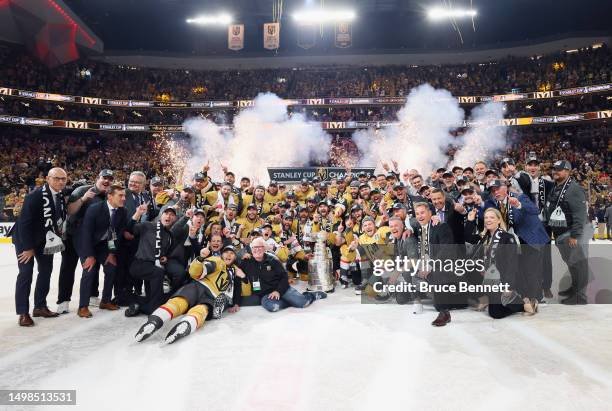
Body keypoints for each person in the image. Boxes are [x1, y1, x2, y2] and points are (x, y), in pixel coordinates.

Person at [133, 246, 245, 344]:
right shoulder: (217, 260)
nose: (229, 255)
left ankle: (186, 323)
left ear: (235, 257)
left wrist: (236, 301)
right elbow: (196, 272)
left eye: (232, 253)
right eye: (226, 252)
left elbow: (238, 290)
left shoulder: (235, 272)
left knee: (202, 309)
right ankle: (155, 321)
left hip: (213, 296)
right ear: (221, 254)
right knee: (181, 301)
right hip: (199, 286)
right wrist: (200, 260)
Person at [11, 167, 67, 326]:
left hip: (46, 240)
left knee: (46, 271)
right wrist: (28, 248)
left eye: (63, 179)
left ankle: (40, 306)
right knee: (25, 274)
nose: (61, 182)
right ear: (48, 179)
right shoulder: (34, 196)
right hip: (25, 240)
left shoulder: (60, 194)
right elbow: (24, 224)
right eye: (57, 178)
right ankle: (23, 313)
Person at [57, 169, 113, 314]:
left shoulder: (108, 195)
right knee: (68, 268)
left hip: (90, 239)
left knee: (93, 265)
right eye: (104, 178)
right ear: (97, 178)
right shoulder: (82, 190)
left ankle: (92, 295)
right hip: (72, 236)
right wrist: (83, 199)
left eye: (110, 179)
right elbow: (69, 211)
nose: (107, 181)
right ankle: (63, 300)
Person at [484, 179, 549, 302]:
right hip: (515, 240)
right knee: (520, 269)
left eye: (497, 189)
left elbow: (535, 210)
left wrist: (518, 205)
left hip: (531, 238)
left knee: (532, 270)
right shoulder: (495, 203)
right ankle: (526, 295)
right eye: (493, 191)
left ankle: (537, 298)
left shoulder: (520, 197)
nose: (495, 192)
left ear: (505, 187)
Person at [464, 208, 532, 318]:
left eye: (492, 217)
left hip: (502, 279)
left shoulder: (507, 238)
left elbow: (512, 264)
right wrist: (470, 221)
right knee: (467, 267)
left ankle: (521, 303)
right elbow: (468, 238)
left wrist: (508, 287)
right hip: (488, 278)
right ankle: (484, 297)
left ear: (499, 220)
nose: (488, 220)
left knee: (495, 313)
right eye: (486, 217)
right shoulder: (484, 237)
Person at [76, 184, 130, 318]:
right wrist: (89, 255)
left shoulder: (123, 211)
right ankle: (83, 306)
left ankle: (105, 301)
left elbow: (115, 234)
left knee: (111, 267)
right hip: (86, 243)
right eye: (120, 195)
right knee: (89, 271)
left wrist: (111, 253)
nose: (124, 198)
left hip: (104, 245)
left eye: (124, 196)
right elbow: (86, 233)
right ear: (110, 197)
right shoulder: (94, 209)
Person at [240, 237, 326, 312]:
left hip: (281, 289)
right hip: (265, 295)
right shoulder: (246, 262)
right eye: (255, 247)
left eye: (260, 247)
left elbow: (284, 277)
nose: (257, 249)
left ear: (264, 248)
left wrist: (278, 291)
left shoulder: (272, 260)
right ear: (251, 249)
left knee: (302, 303)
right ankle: (292, 301)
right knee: (272, 307)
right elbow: (231, 262)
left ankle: (311, 295)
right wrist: (241, 254)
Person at [545, 160, 590, 304]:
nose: (555, 172)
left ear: (568, 171)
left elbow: (580, 214)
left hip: (571, 233)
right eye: (554, 169)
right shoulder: (557, 186)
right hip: (562, 233)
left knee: (578, 263)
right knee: (571, 263)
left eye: (559, 169)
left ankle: (580, 296)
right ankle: (575, 288)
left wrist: (575, 235)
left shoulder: (573, 189)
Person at [412, 202, 463, 327]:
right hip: (429, 266)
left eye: (422, 212)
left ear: (430, 213)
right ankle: (421, 298)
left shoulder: (440, 226)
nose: (419, 216)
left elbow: (446, 250)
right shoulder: (420, 228)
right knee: (410, 269)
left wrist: (429, 266)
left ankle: (445, 312)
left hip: (445, 267)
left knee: (438, 303)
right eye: (417, 214)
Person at [124, 205, 177, 317]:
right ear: (161, 216)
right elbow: (129, 230)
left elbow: (167, 253)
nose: (169, 216)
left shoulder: (170, 236)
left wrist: (165, 257)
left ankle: (138, 305)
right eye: (166, 213)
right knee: (159, 273)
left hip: (153, 267)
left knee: (152, 297)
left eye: (172, 214)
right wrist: (137, 214)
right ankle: (152, 308)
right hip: (139, 264)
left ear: (175, 219)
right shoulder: (148, 225)